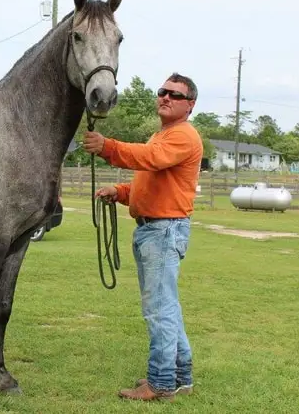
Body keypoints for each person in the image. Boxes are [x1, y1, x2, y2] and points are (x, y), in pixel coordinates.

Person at [82, 72, 203, 402]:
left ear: (190, 105)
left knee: (160, 310)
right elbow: (150, 180)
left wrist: (108, 147)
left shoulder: (182, 137)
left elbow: (149, 159)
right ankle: (180, 376)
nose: (166, 97)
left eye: (175, 95)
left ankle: (161, 382)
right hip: (157, 228)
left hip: (162, 230)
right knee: (168, 308)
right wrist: (121, 192)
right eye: (163, 91)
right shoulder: (162, 135)